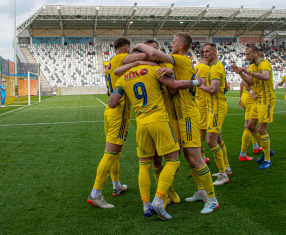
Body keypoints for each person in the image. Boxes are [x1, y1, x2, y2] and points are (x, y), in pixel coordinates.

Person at [133, 33, 220, 214]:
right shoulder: (174, 64)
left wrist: (140, 44)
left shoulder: (181, 59)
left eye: (172, 42)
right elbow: (172, 89)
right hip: (174, 117)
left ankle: (212, 199)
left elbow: (159, 61)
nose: (170, 45)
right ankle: (200, 192)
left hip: (187, 116)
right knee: (185, 158)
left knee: (195, 158)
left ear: (180, 45)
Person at [108, 62, 180, 220]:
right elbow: (173, 86)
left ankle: (146, 206)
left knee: (143, 166)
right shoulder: (153, 69)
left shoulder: (122, 78)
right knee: (174, 161)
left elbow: (112, 103)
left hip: (141, 124)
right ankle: (159, 200)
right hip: (159, 120)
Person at [88, 37, 146, 209]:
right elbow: (138, 58)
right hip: (119, 112)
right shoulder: (122, 58)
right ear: (126, 48)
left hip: (110, 111)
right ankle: (95, 193)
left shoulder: (110, 63)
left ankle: (116, 186)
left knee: (115, 153)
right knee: (111, 153)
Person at [231, 46, 275, 169]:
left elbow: (265, 76)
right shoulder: (253, 66)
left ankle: (267, 159)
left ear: (256, 53)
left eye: (248, 54)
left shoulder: (264, 63)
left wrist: (246, 72)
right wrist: (240, 73)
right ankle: (267, 150)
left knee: (261, 128)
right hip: (257, 99)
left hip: (266, 99)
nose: (247, 57)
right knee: (250, 126)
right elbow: (249, 82)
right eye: (246, 54)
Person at [198, 43, 232, 182]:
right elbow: (226, 88)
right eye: (203, 52)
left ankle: (222, 174)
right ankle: (226, 168)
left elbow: (213, 89)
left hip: (217, 108)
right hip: (213, 106)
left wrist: (200, 85)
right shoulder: (213, 67)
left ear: (214, 52)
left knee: (210, 140)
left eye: (207, 51)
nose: (205, 54)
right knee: (218, 139)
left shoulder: (216, 68)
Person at [194, 49, 211, 164]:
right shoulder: (206, 68)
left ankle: (202, 157)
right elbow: (203, 85)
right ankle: (199, 160)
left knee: (200, 133)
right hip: (204, 103)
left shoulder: (195, 67)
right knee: (202, 135)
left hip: (196, 101)